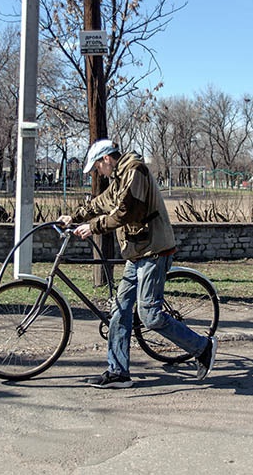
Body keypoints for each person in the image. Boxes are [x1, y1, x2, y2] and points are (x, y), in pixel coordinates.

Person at [58, 139, 217, 389]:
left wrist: (94, 226)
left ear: (106, 159)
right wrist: (75, 216)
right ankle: (118, 372)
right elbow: (102, 202)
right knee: (120, 311)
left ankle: (202, 347)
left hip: (154, 251)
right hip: (137, 253)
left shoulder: (135, 172)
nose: (98, 172)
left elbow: (126, 212)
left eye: (98, 167)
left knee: (150, 315)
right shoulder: (120, 177)